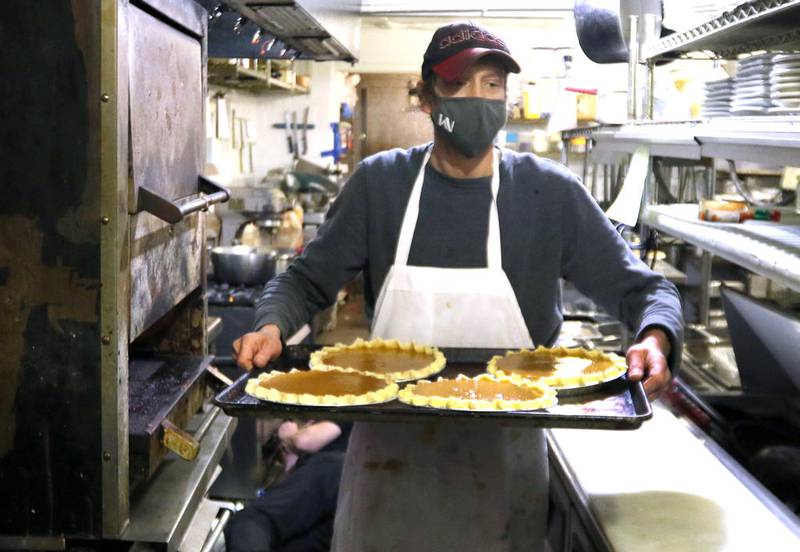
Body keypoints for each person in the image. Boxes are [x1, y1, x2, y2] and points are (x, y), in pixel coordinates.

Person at [233, 21, 683, 552]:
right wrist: (270, 324)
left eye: (492, 84)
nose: (478, 99)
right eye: (459, 84)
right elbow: (306, 283)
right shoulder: (380, 185)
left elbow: (645, 290)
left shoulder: (548, 194)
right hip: (388, 462)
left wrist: (656, 337)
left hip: (504, 464)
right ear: (425, 97)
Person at [224, 420, 352, 552]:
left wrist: (291, 439)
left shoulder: (335, 471)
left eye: (283, 452)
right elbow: (252, 522)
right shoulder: (333, 472)